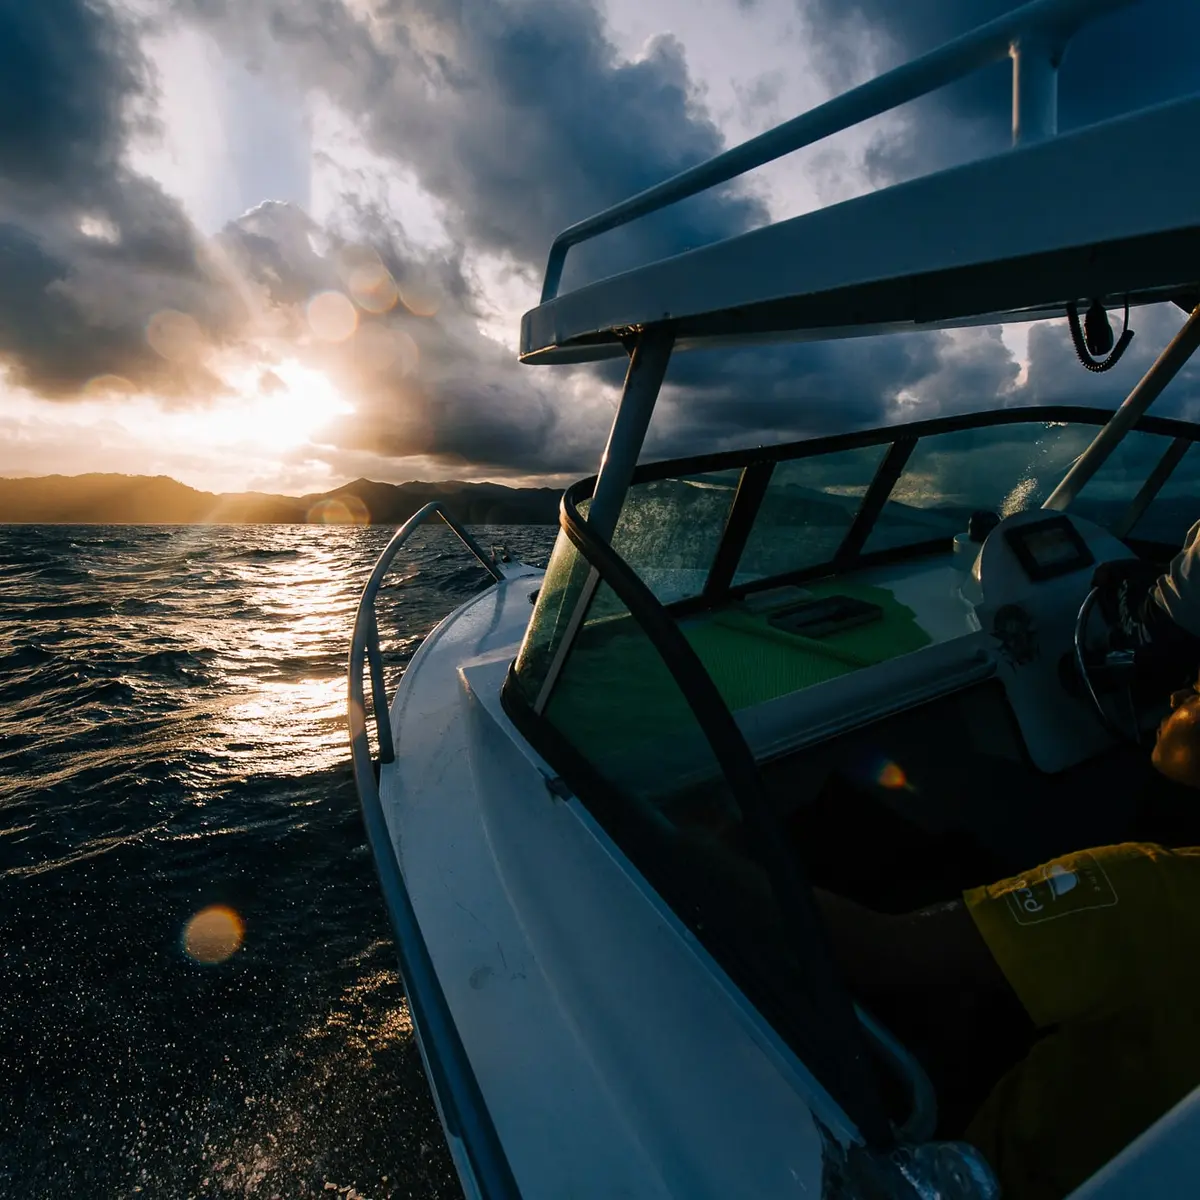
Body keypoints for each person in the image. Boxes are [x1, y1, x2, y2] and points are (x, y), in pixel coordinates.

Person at [819, 682, 1200, 1200]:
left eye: (1199, 688)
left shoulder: (1146, 890)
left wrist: (697, 850)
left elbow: (882, 955)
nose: (1176, 693)